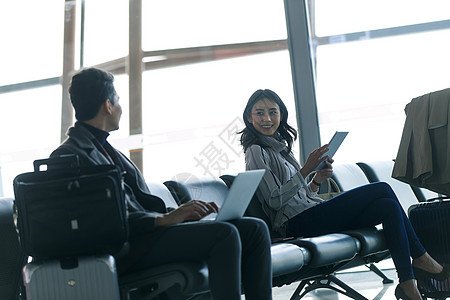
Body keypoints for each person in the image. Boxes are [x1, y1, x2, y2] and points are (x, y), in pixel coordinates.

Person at [50, 68, 273, 300]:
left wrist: (176, 214)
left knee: (254, 229)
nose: (119, 108)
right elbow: (97, 221)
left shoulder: (107, 151)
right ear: (108, 105)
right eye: (117, 101)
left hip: (143, 236)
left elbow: (136, 203)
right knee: (224, 235)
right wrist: (161, 220)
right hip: (124, 248)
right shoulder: (70, 157)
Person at [239, 89, 450, 300]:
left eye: (272, 112)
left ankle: (408, 283)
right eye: (260, 113)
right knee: (382, 189)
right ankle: (421, 258)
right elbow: (274, 201)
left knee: (388, 206)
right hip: (295, 224)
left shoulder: (281, 149)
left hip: (307, 214)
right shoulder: (256, 151)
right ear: (249, 117)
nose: (267, 118)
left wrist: (317, 180)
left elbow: (298, 197)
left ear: (281, 115)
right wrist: (305, 170)